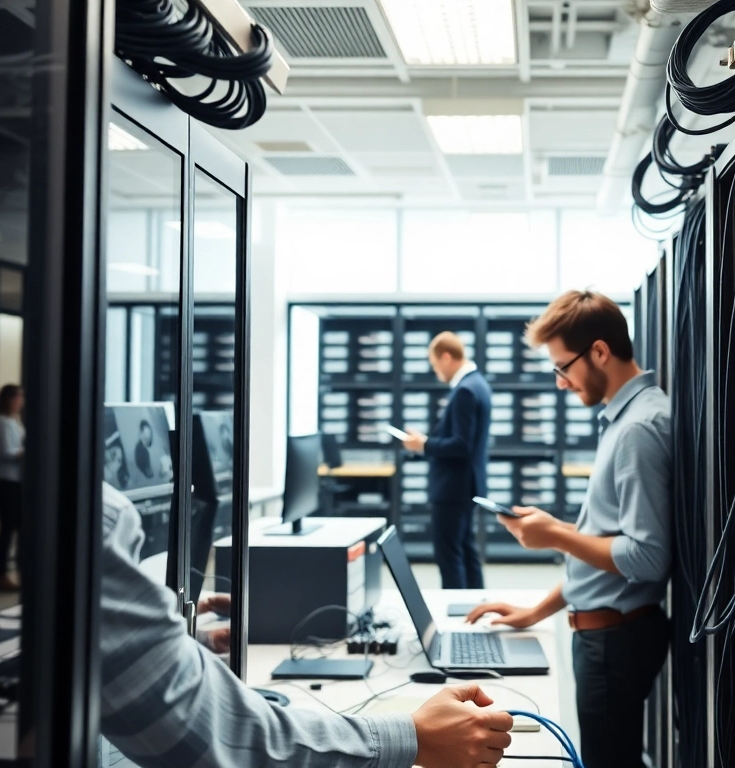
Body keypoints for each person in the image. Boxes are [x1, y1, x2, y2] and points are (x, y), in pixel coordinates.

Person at [100, 481, 514, 768]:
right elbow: (219, 737)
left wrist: (189, 638)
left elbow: (108, 657)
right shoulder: (99, 518)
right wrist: (414, 738)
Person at [466, 290, 673, 768]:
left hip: (614, 644)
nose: (560, 383)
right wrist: (534, 611)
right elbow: (604, 544)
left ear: (599, 351)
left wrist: (555, 534)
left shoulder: (638, 430)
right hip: (608, 636)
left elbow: (646, 556)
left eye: (563, 366)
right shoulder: (627, 420)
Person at [401, 332, 492, 590]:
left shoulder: (464, 390)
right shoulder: (479, 384)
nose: (435, 371)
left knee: (449, 555)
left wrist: (424, 444)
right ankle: (474, 605)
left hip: (453, 487)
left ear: (446, 356)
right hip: (467, 485)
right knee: (466, 549)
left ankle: (456, 613)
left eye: (434, 364)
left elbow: (462, 445)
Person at [0, 384, 26, 592]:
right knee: (8, 528)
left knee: (15, 526)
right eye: (19, 398)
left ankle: (11, 570)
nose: (21, 402)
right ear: (9, 399)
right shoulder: (1, 422)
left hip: (15, 480)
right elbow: (5, 452)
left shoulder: (14, 421)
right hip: (5, 480)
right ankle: (0, 574)